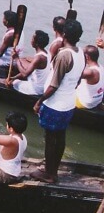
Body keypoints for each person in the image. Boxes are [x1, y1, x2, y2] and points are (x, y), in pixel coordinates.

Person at [32, 18, 84, 183]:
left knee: (50, 138)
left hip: (55, 104)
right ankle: (52, 169)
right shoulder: (80, 53)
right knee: (60, 137)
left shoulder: (64, 55)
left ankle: (49, 173)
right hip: (68, 102)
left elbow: (54, 85)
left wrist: (40, 100)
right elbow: (77, 81)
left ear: (64, 35)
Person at [2, 30, 49, 96]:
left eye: (32, 38)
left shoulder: (39, 57)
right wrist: (14, 77)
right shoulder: (46, 53)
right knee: (14, 79)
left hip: (36, 89)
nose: (31, 40)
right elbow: (28, 72)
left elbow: (24, 74)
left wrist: (16, 58)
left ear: (36, 43)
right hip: (41, 86)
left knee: (12, 83)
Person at [76, 45, 103, 110]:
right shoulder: (101, 68)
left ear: (87, 57)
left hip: (85, 102)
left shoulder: (91, 72)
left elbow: (74, 75)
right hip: (97, 100)